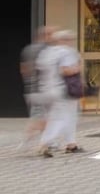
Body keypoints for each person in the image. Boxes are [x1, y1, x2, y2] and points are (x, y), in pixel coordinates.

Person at [37, 29, 83, 157]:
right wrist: (78, 68)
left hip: (47, 89)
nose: (71, 42)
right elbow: (65, 70)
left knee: (66, 117)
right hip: (63, 91)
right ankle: (45, 143)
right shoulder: (66, 52)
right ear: (63, 40)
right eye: (69, 39)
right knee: (62, 118)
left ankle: (71, 144)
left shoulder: (46, 52)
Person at [20, 26, 49, 149]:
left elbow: (23, 69)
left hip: (31, 89)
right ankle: (27, 141)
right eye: (50, 35)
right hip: (41, 89)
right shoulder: (45, 50)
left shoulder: (27, 50)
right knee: (40, 117)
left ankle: (46, 142)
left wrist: (28, 81)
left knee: (41, 116)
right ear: (45, 36)